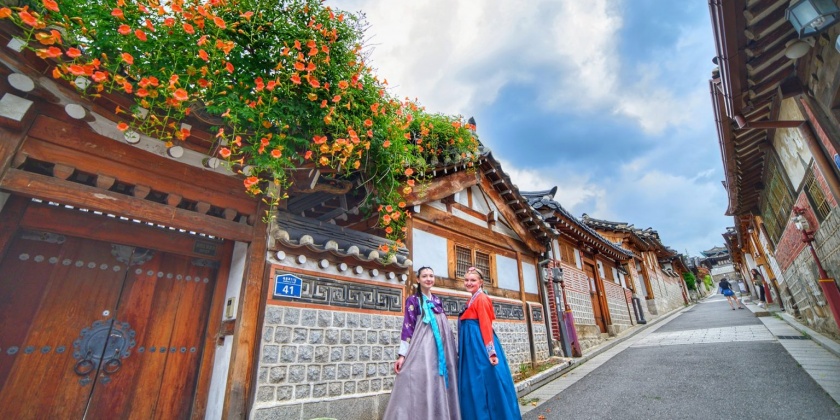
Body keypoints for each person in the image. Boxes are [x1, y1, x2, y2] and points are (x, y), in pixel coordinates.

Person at [383, 267, 460, 420]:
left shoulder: (437, 300)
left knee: (438, 380)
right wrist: (402, 355)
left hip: (440, 350)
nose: (428, 279)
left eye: (431, 276)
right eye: (424, 276)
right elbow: (408, 327)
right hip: (422, 348)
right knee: (418, 379)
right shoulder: (413, 300)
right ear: (418, 279)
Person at [457, 267, 521, 420]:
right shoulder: (473, 298)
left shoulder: (482, 299)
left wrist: (491, 352)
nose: (469, 283)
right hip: (472, 346)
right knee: (475, 381)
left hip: (479, 345)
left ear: (481, 282)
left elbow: (486, 325)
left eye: (473, 280)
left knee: (485, 379)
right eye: (466, 280)